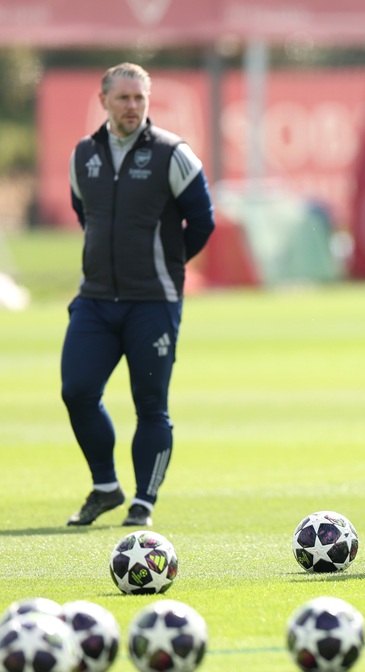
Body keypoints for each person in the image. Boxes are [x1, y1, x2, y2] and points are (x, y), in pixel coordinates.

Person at [62, 63, 215, 527]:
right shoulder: (83, 153)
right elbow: (84, 214)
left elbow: (203, 221)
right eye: (123, 98)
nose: (132, 107)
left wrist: (166, 267)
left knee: (150, 405)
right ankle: (106, 486)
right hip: (95, 300)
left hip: (153, 302)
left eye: (139, 99)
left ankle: (143, 503)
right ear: (104, 99)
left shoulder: (173, 153)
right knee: (78, 391)